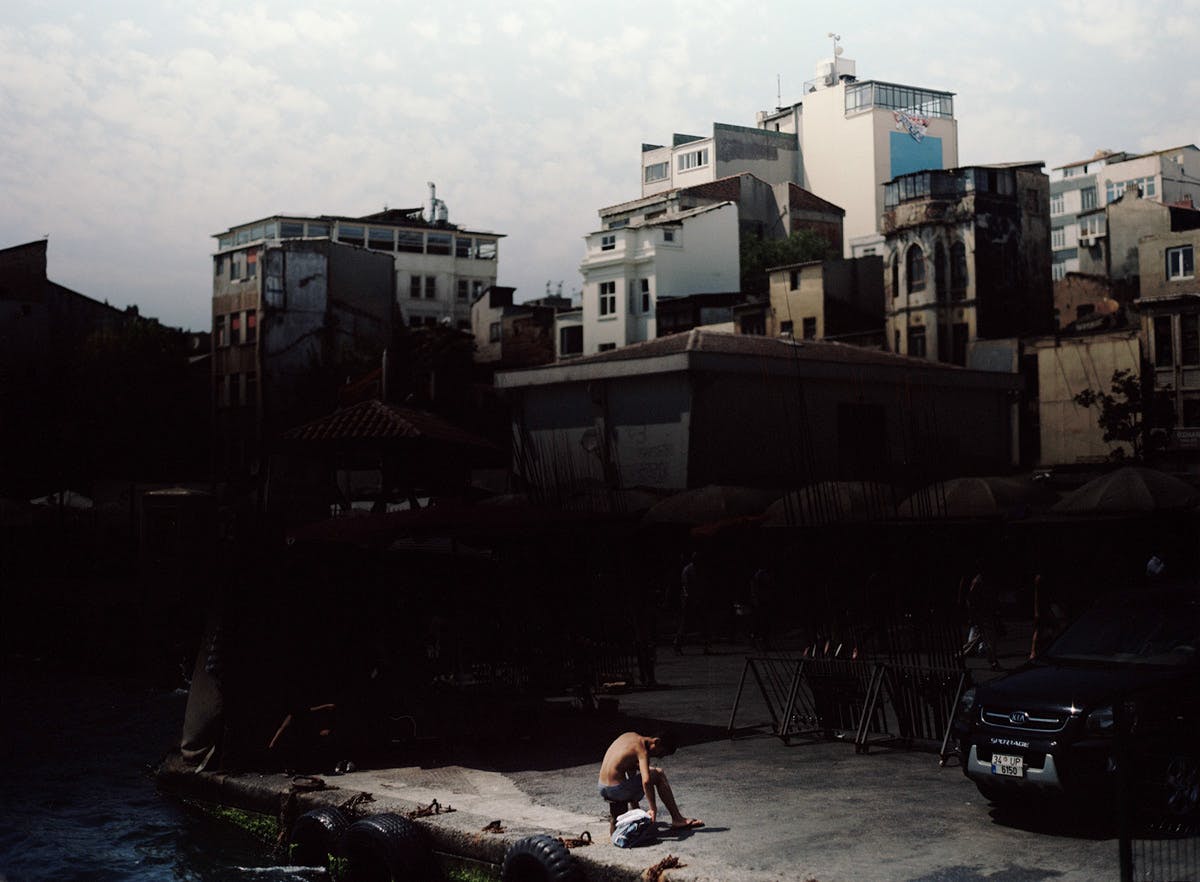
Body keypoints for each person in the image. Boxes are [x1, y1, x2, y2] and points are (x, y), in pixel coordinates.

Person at [596, 731, 703, 835]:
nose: (659, 757)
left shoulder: (629, 736)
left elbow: (628, 766)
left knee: (646, 769)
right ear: (656, 742)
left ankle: (630, 816)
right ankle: (677, 819)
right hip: (616, 789)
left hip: (602, 786)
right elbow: (646, 781)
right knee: (658, 773)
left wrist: (636, 808)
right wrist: (653, 809)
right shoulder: (642, 750)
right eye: (661, 752)